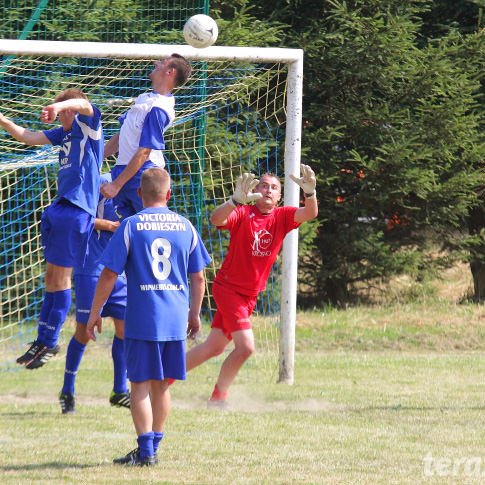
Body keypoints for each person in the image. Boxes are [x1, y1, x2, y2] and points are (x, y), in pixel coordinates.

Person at [87, 167, 211, 467]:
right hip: (174, 319)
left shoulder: (130, 226)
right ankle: (153, 445)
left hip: (143, 317)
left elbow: (108, 275)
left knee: (139, 385)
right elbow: (199, 279)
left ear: (140, 194)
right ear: (168, 194)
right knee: (162, 385)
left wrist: (94, 313)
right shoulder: (186, 227)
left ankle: (146, 452)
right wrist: (194, 314)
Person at [183, 165, 318, 409]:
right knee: (246, 347)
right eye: (264, 185)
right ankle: (218, 398)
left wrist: (310, 194)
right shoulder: (243, 212)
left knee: (212, 348)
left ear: (279, 197)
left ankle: (159, 380)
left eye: (274, 188)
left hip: (249, 296)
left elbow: (310, 213)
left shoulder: (283, 216)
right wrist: (234, 201)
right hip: (228, 289)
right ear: (255, 191)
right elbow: (216, 219)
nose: (268, 190)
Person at [0, 88, 103, 369]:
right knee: (51, 278)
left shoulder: (88, 126)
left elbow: (85, 105)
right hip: (60, 209)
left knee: (61, 280)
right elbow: (28, 137)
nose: (58, 115)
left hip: (76, 212)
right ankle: (42, 339)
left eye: (63, 110)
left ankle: (50, 343)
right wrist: (4, 121)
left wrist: (61, 105)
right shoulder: (61, 135)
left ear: (71, 109)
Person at [58, 172, 129, 414]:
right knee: (84, 332)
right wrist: (110, 226)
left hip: (119, 271)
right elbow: (77, 218)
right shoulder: (98, 181)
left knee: (124, 327)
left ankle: (119, 390)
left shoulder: (135, 185)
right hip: (91, 267)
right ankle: (67, 391)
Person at [100, 54, 191, 220]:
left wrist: (116, 185)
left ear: (170, 72)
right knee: (129, 231)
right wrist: (96, 158)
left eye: (162, 63)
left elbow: (144, 151)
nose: (156, 63)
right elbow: (122, 136)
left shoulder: (159, 108)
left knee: (150, 227)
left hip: (143, 175)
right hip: (124, 171)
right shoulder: (145, 99)